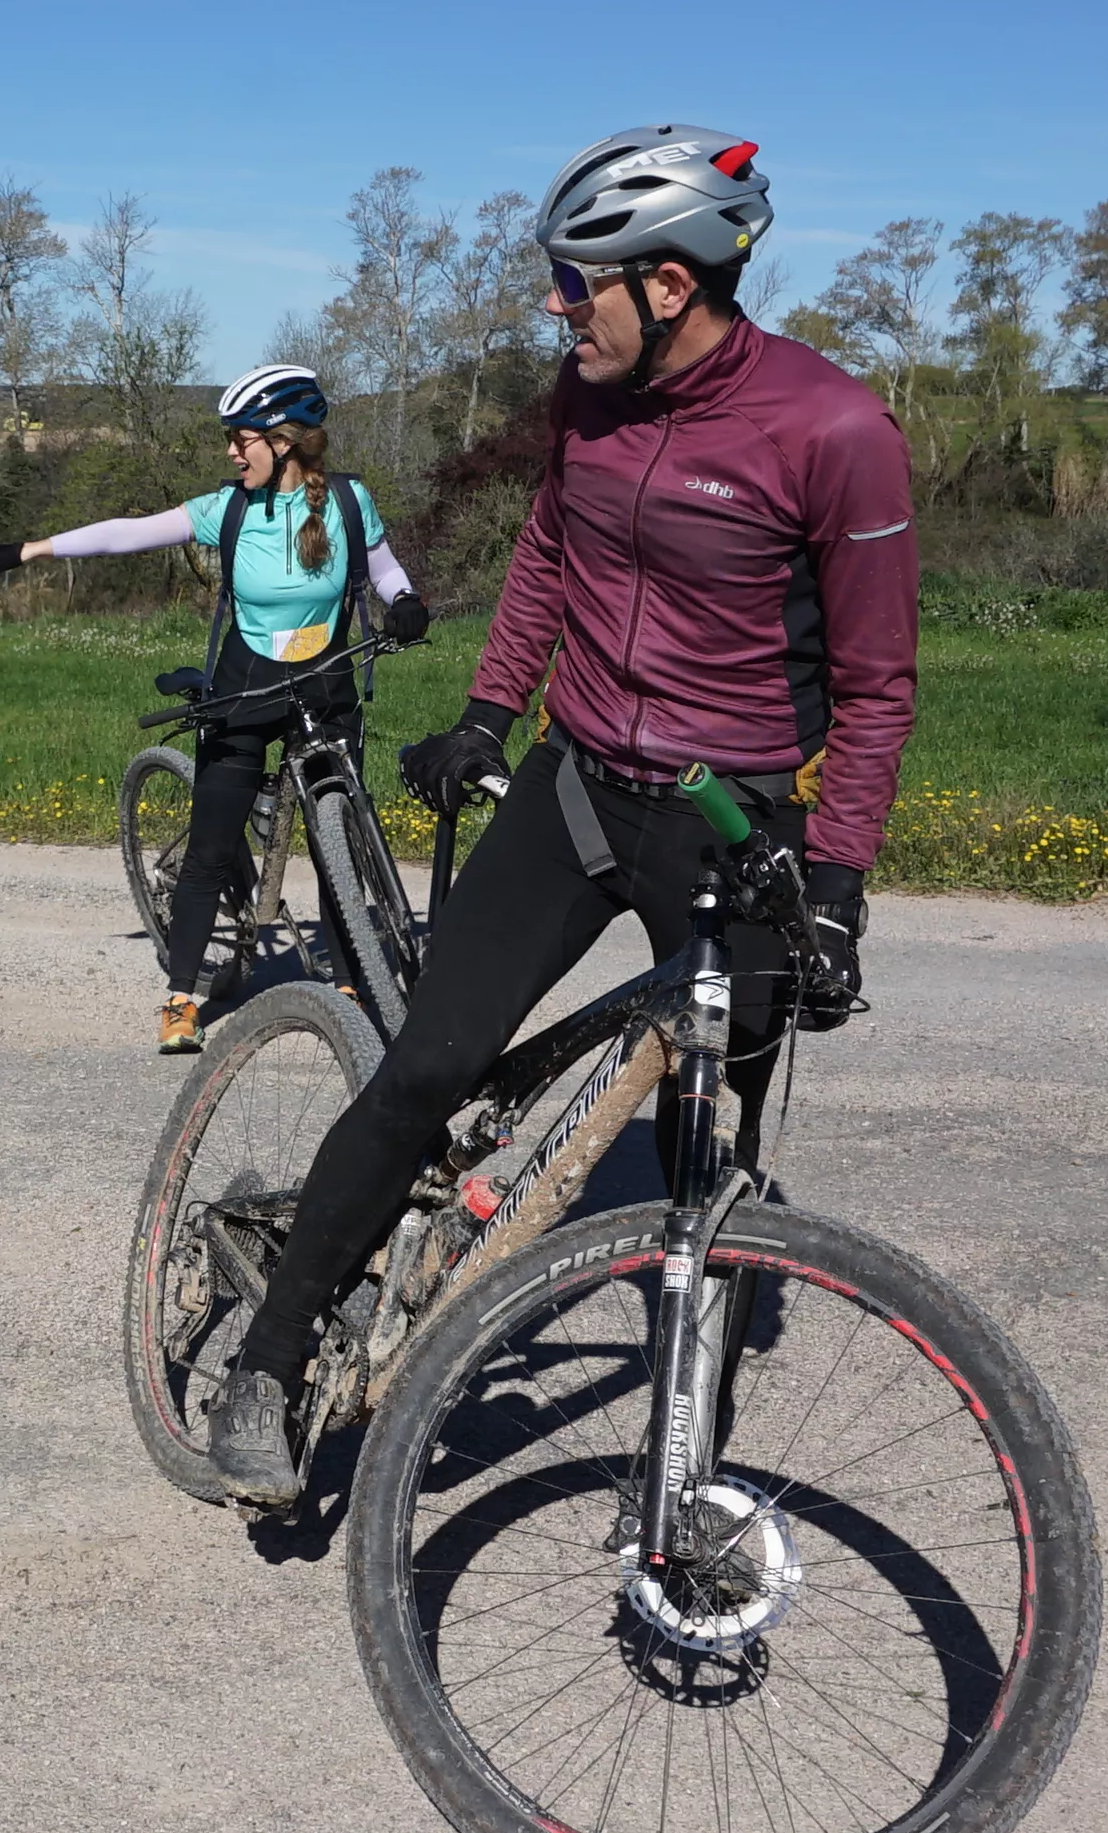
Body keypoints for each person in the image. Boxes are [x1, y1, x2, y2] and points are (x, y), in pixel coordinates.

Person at [199, 128, 919, 1503]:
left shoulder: (835, 430)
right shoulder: (585, 397)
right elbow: (549, 549)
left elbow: (880, 687)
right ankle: (272, 1358)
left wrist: (835, 881)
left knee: (715, 1153)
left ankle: (680, 1466)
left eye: (572, 281)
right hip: (577, 784)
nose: (552, 305)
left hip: (729, 817)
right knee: (427, 1072)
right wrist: (489, 713)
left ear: (666, 284)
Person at [0, 366, 428, 1053]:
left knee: (345, 844)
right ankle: (182, 995)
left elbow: (384, 567)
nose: (231, 453)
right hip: (246, 686)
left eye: (241, 439)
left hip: (328, 683)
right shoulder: (227, 511)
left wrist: (406, 602)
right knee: (212, 846)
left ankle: (349, 981)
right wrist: (31, 550)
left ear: (285, 440)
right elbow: (130, 532)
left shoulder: (348, 501)